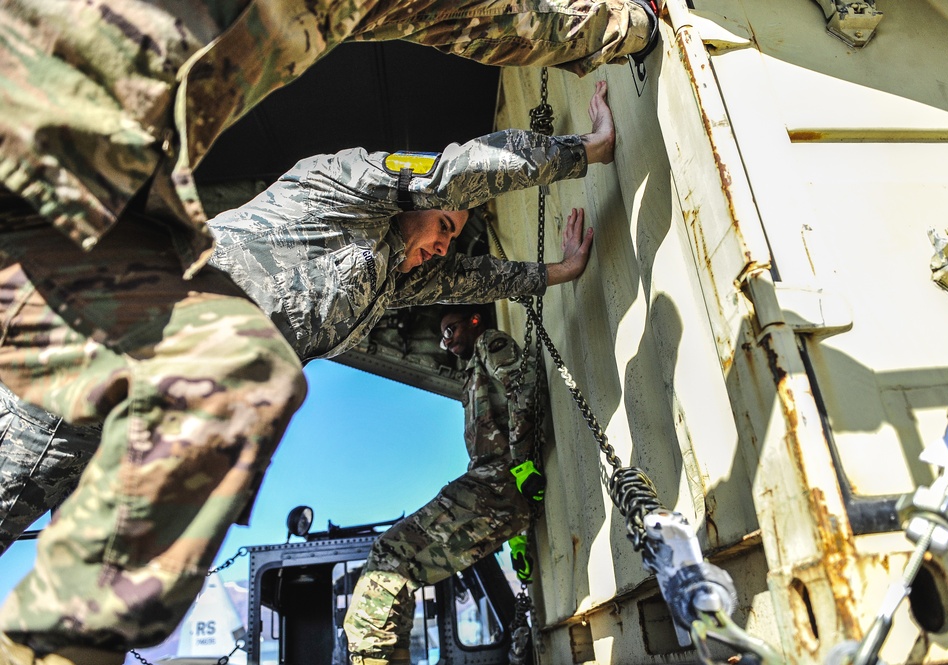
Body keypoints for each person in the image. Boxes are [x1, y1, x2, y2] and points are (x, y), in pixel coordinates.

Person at [0, 54, 617, 661]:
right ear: (413, 202)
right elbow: (454, 172)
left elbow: (470, 278)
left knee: (93, 610)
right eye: (444, 227)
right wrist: (583, 151)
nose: (443, 244)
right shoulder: (342, 186)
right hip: (98, 362)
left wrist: (556, 271)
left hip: (154, 419)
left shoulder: (391, 275)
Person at [343, 306, 543, 665]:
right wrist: (517, 541)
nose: (446, 341)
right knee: (399, 563)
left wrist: (524, 460)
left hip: (497, 479)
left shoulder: (489, 343)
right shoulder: (470, 375)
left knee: (391, 555)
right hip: (496, 487)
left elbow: (522, 388)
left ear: (474, 321)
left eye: (451, 330)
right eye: (442, 336)